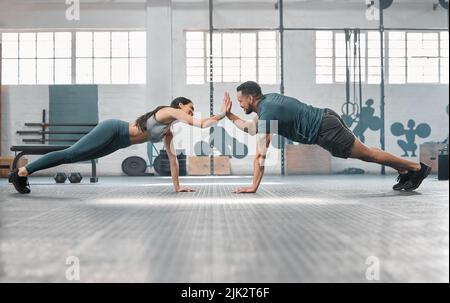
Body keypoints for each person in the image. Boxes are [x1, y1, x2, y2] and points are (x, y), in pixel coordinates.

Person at [224, 81, 431, 194]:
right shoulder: (267, 104)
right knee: (366, 154)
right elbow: (250, 128)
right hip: (324, 122)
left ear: (251, 98)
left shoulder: (268, 111)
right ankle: (405, 169)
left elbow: (261, 154)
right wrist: (229, 115)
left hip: (324, 128)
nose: (240, 105)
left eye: (240, 102)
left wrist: (253, 186)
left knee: (367, 154)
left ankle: (416, 169)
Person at [9, 95, 231, 194]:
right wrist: (223, 113)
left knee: (76, 157)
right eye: (190, 109)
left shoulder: (168, 131)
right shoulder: (168, 111)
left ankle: (21, 173)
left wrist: (177, 187)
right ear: (180, 105)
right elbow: (201, 124)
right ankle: (22, 172)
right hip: (114, 129)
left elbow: (173, 160)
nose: (190, 113)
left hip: (118, 143)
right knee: (72, 153)